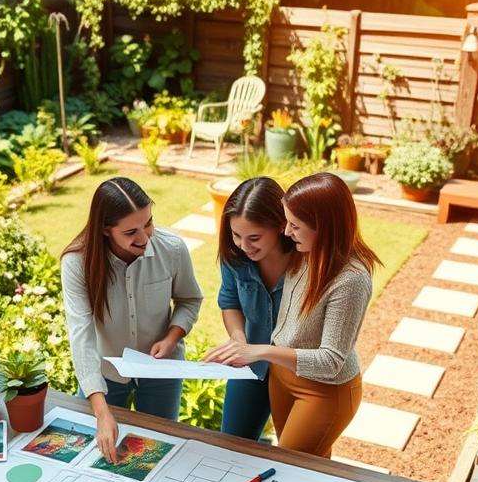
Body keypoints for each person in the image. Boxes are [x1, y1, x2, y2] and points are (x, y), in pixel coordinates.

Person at [208, 172, 379, 457]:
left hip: (323, 388)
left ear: (323, 227)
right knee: (308, 466)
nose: (288, 232)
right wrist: (243, 345)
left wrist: (260, 351)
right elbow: (232, 302)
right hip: (282, 377)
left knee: (288, 464)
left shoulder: (348, 277)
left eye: (294, 225)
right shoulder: (307, 253)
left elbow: (330, 360)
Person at [61, 177, 204, 462]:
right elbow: (81, 335)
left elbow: (190, 300)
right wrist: (101, 412)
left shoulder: (172, 250)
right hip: (105, 373)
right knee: (92, 453)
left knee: (157, 454)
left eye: (148, 223)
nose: (144, 237)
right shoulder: (77, 263)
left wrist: (171, 336)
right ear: (105, 230)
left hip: (161, 372)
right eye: (130, 232)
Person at [204, 178, 297, 441]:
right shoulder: (235, 258)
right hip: (252, 369)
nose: (244, 246)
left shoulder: (304, 259)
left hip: (296, 374)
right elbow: (229, 301)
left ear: (281, 225)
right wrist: (238, 340)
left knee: (298, 457)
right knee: (233, 443)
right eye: (236, 235)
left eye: (254, 237)